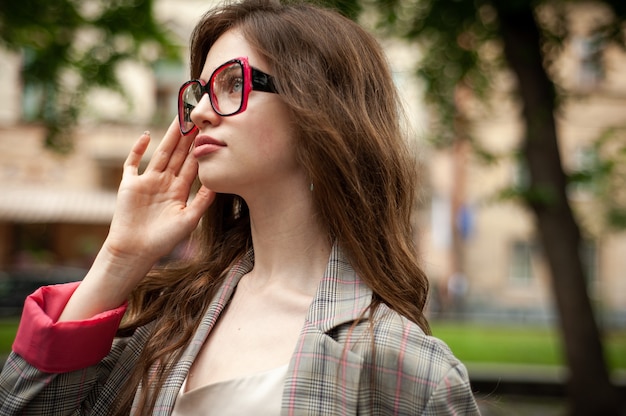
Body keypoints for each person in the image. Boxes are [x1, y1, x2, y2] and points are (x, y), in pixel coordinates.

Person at [0, 0, 481, 414]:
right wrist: (120, 256)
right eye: (202, 91)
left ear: (319, 108)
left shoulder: (407, 368)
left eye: (233, 84)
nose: (202, 111)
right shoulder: (167, 317)